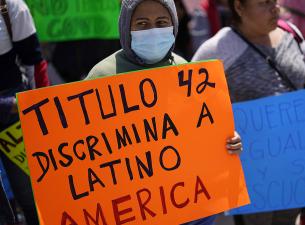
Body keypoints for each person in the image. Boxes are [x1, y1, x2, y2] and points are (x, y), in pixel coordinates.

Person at [192, 0, 305, 224]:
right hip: (252, 173)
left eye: (275, 1)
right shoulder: (217, 49)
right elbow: (192, 104)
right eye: (264, 3)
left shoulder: (290, 32)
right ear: (239, 7)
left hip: (295, 164)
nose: (275, 8)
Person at [86, 1, 243, 224]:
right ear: (125, 26)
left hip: (191, 208)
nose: (153, 31)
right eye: (142, 23)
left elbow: (202, 131)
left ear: (174, 24)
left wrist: (227, 141)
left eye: (161, 22)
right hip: (132, 211)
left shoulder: (186, 71)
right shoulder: (101, 76)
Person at [1, 0, 49, 224]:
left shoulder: (11, 7)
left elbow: (34, 63)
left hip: (13, 117)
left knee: (32, 197)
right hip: (10, 106)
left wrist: (42, 113)